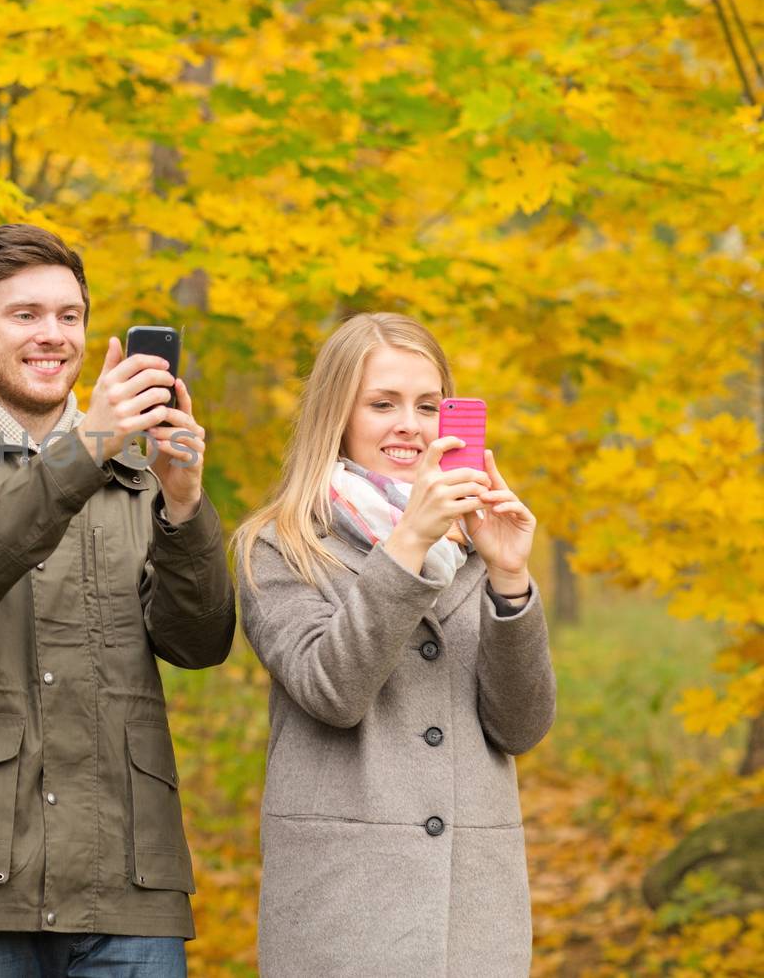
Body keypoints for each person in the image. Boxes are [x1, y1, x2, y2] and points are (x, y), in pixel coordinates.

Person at [0, 224, 235, 977]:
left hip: (128, 872)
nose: (53, 335)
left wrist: (186, 502)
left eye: (69, 316)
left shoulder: (136, 472)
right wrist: (83, 451)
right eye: (26, 315)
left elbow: (200, 642)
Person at [233, 312, 556, 977]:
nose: (410, 424)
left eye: (428, 405)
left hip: (474, 921)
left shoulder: (472, 550)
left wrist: (511, 577)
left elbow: (520, 726)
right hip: (345, 919)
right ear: (338, 415)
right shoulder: (280, 546)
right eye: (382, 403)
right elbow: (333, 689)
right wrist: (409, 543)